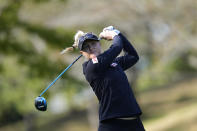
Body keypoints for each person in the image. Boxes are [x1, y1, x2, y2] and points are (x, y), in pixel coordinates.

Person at [63, 26, 145, 131]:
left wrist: (119, 34)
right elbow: (116, 47)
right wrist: (115, 35)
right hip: (112, 125)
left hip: (134, 122)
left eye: (93, 44)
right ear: (82, 53)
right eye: (86, 47)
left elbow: (133, 56)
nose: (91, 48)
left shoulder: (114, 63)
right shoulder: (91, 67)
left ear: (99, 43)